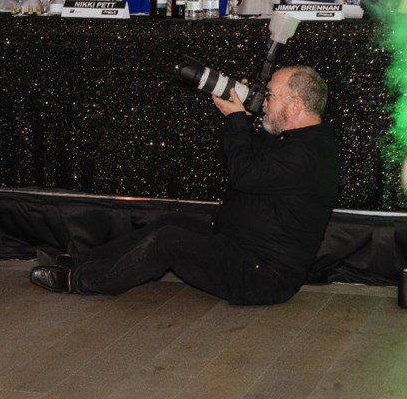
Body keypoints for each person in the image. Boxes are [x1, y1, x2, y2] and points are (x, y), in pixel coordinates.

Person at [29, 65, 339, 306]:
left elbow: (244, 175)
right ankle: (81, 259)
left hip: (262, 273)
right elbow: (237, 159)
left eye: (270, 95)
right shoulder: (293, 139)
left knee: (169, 241)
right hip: (235, 243)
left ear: (296, 104)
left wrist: (238, 121)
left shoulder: (310, 154)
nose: (265, 102)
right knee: (169, 220)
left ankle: (82, 280)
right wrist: (240, 115)